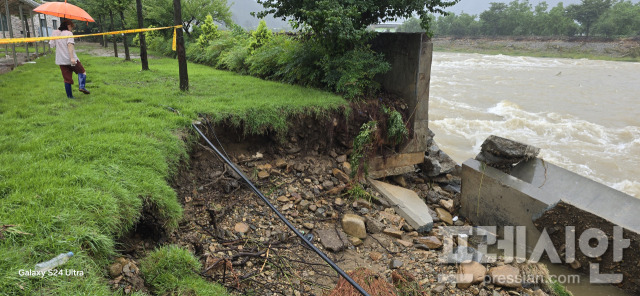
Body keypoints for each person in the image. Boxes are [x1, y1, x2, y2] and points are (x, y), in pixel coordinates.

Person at [50, 19, 90, 99]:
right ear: (68, 26)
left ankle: (70, 97)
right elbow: (70, 45)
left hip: (61, 60)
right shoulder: (69, 33)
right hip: (71, 59)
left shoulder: (55, 33)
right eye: (71, 27)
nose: (72, 29)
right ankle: (82, 86)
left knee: (67, 79)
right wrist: (72, 58)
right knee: (82, 72)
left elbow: (52, 45)